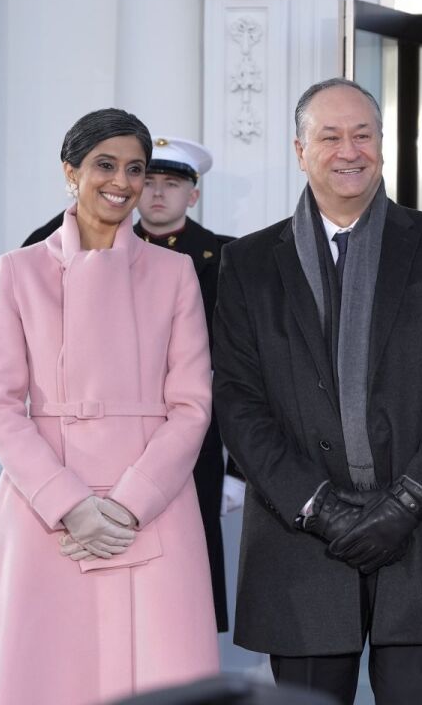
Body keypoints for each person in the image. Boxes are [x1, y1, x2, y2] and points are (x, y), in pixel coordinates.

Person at [213, 78, 422, 704]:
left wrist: (410, 501)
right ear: (299, 149)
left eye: (363, 134)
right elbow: (238, 401)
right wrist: (317, 507)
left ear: (382, 144)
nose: (349, 150)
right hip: (301, 542)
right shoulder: (250, 264)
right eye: (330, 135)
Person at [0, 108, 219, 704]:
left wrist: (130, 505)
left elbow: (191, 405)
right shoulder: (18, 271)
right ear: (70, 172)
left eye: (136, 168)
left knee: (160, 671)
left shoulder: (176, 272)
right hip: (45, 507)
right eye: (106, 164)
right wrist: (70, 504)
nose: (123, 181)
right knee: (48, 672)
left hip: (153, 506)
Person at [135, 135, 242, 633]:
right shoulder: (98, 249)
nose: (157, 193)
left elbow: (245, 371)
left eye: (172, 183)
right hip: (118, 439)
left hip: (200, 442)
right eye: (148, 180)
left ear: (193, 195)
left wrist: (238, 468)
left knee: (186, 584)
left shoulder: (227, 259)